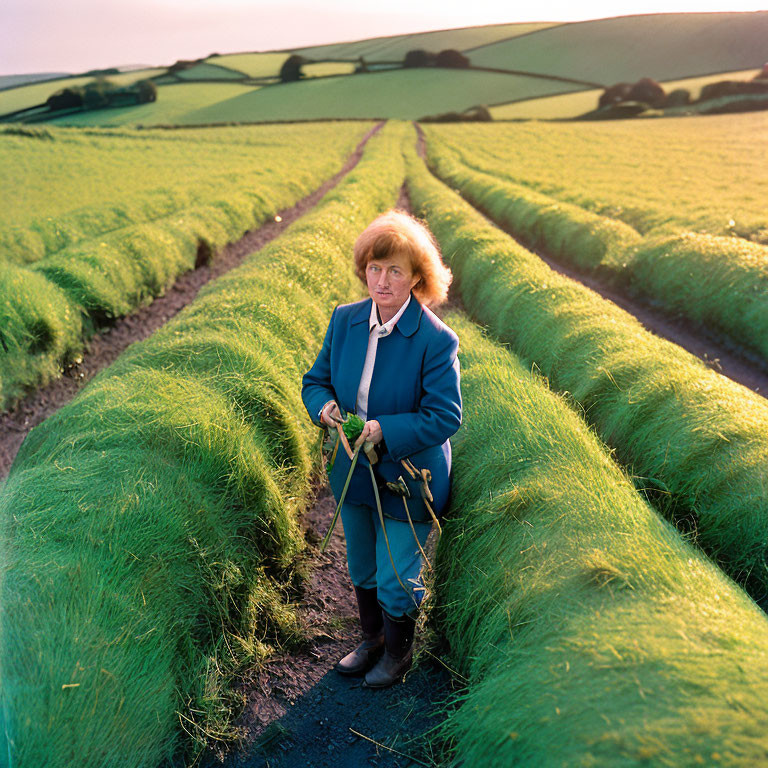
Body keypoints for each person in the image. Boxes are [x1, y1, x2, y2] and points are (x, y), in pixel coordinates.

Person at [301, 209, 462, 688]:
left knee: (396, 576)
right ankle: (370, 639)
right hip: (352, 472)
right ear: (363, 270)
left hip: (407, 477)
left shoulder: (436, 339)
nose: (383, 279)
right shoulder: (346, 320)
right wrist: (326, 408)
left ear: (417, 277)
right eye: (375, 267)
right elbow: (316, 381)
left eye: (396, 269)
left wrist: (382, 429)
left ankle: (397, 652)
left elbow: (445, 416)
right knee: (361, 564)